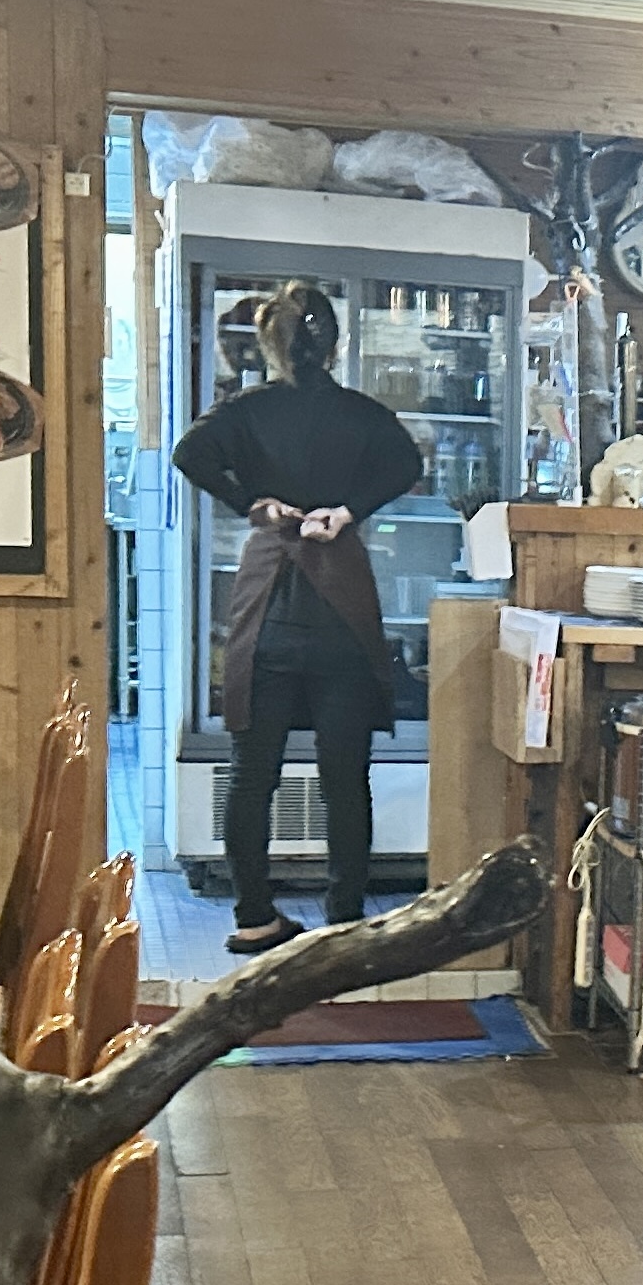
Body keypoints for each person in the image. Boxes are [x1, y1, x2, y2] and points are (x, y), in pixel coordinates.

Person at [173, 283, 420, 952]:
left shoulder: (244, 410)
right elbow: (408, 462)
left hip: (269, 605)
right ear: (335, 343)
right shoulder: (363, 414)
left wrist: (255, 505)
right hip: (341, 604)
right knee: (345, 778)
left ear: (268, 344)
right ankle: (345, 921)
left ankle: (255, 917)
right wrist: (349, 511)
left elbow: (188, 454)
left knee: (252, 774)